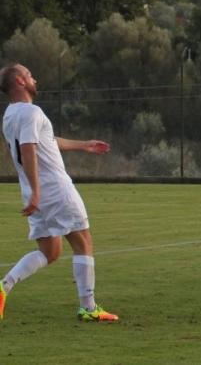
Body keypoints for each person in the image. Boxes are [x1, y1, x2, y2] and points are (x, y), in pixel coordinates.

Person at [0, 64, 118, 322]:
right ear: (20, 81)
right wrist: (38, 192)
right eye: (30, 75)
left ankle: (4, 286)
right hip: (53, 189)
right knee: (83, 241)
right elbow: (29, 149)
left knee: (50, 251)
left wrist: (83, 145)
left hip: (35, 191)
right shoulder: (32, 111)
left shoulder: (11, 114)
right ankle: (88, 307)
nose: (35, 78)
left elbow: (46, 141)